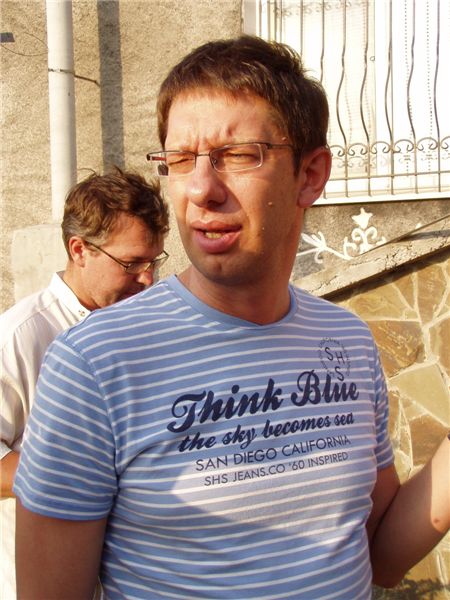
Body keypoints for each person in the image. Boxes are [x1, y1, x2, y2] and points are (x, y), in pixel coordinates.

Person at [14, 36, 449, 600]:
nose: (200, 189)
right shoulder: (93, 365)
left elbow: (380, 557)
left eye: (239, 155)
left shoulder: (348, 341)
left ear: (310, 174)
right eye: (179, 159)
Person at [1, 167, 169, 599]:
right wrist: (88, 473)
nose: (148, 278)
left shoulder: (147, 329)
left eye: (154, 261)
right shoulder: (21, 335)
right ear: (79, 250)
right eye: (131, 263)